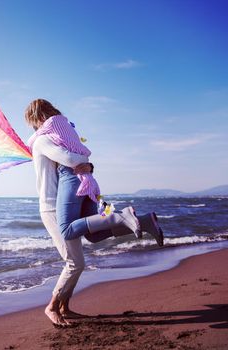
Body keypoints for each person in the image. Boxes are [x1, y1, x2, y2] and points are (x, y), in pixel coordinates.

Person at [25, 98, 164, 326]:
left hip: (58, 203)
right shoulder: (42, 142)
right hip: (53, 204)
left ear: (37, 118)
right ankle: (60, 307)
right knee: (80, 255)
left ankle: (55, 307)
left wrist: (87, 165)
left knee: (75, 261)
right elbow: (75, 160)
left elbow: (74, 159)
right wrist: (87, 165)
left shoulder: (46, 139)